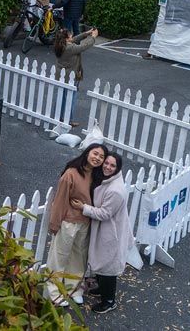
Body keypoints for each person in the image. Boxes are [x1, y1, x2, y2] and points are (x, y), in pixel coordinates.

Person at [70, 151, 135, 314]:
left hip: (110, 231)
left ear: (117, 168)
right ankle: (101, 289)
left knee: (108, 266)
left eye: (112, 165)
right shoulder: (107, 180)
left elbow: (105, 213)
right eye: (106, 163)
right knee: (102, 261)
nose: (107, 167)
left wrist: (83, 208)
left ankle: (109, 300)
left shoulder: (115, 190)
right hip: (106, 229)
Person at [45, 143, 108, 306]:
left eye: (101, 157)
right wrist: (55, 223)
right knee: (59, 257)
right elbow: (60, 200)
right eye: (95, 154)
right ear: (87, 153)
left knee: (79, 258)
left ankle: (75, 289)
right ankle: (53, 291)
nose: (97, 158)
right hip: (68, 222)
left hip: (85, 223)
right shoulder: (71, 174)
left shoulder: (97, 176)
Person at [54, 27, 98, 126]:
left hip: (61, 75)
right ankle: (69, 119)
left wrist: (86, 33)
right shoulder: (70, 48)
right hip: (70, 76)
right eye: (70, 36)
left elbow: (74, 40)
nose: (72, 37)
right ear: (66, 39)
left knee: (62, 97)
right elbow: (84, 46)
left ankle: (60, 117)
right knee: (71, 98)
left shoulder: (59, 45)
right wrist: (93, 37)